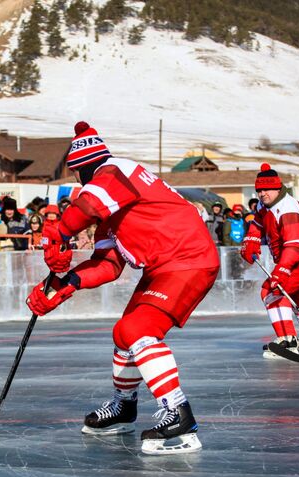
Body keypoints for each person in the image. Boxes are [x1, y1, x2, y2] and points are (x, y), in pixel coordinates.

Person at [26, 121, 219, 455]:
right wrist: (64, 284)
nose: (76, 180)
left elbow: (84, 208)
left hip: (187, 260)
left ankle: (179, 412)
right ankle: (124, 407)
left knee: (137, 329)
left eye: (75, 174)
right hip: (164, 267)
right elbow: (108, 265)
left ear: (83, 168)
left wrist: (59, 233)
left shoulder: (115, 171)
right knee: (123, 334)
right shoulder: (111, 208)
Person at [240, 163, 299, 358]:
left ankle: (287, 342)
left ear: (277, 188)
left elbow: (295, 246)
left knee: (271, 291)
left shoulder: (287, 209)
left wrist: (282, 271)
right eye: (259, 190)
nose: (263, 193)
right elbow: (258, 221)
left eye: (266, 189)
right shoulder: (268, 205)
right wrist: (252, 239)